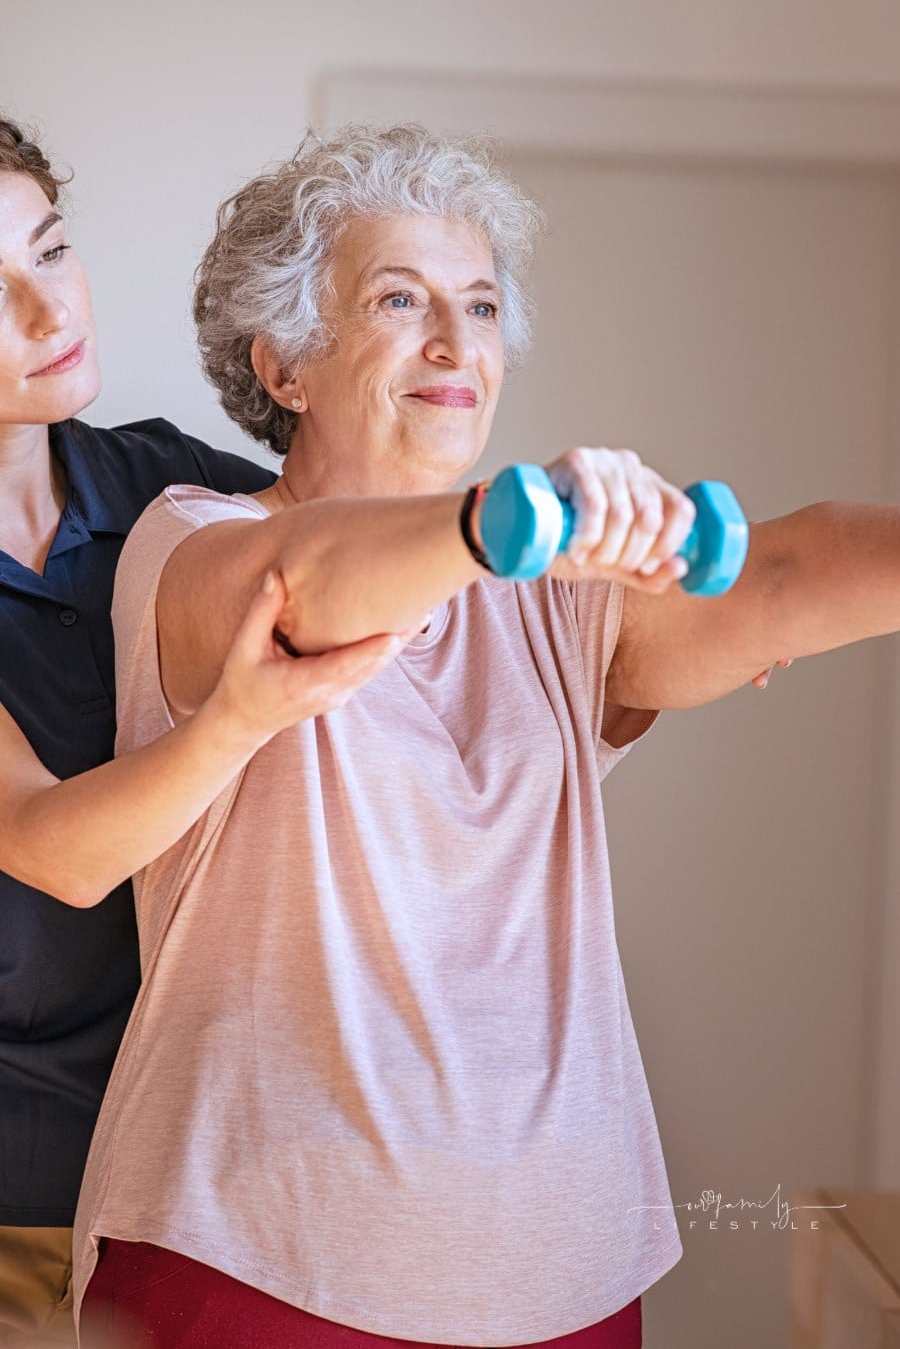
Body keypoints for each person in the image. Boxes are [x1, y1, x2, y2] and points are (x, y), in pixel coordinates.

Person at [72, 124, 893, 1348]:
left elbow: (784, 571)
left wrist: (540, 537)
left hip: (564, 1270)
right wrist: (520, 521)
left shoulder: (555, 590)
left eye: (481, 305)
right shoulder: (192, 539)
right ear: (285, 366)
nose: (458, 344)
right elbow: (308, 588)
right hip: (254, 1260)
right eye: (400, 301)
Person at [0, 119, 403, 1347]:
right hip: (22, 1203)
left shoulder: (170, 490)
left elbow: (353, 568)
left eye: (50, 247)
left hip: (205, 1193)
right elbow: (57, 848)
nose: (43, 307)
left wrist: (624, 636)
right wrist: (238, 718)